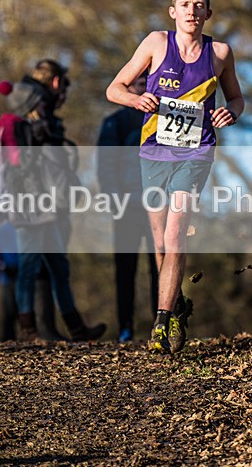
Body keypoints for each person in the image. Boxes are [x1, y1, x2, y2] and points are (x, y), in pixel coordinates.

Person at [106, 0, 244, 354]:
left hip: (195, 153)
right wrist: (138, 99)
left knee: (176, 235)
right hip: (153, 153)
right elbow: (114, 88)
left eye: (199, 5)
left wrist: (230, 112)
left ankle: (162, 321)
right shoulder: (155, 43)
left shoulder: (219, 53)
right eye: (185, 4)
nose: (192, 11)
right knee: (160, 242)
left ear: (208, 14)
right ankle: (176, 303)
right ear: (173, 11)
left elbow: (236, 97)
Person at [0, 60, 106, 342]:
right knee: (30, 267)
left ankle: (76, 328)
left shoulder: (30, 118)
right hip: (32, 206)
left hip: (41, 204)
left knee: (57, 266)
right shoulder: (31, 119)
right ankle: (29, 329)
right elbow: (39, 166)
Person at [97, 73, 159, 343]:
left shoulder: (162, 119)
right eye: (138, 84)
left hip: (158, 207)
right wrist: (115, 202)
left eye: (147, 83)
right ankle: (125, 328)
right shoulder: (115, 123)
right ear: (128, 88)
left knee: (161, 268)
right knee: (125, 270)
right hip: (127, 209)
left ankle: (161, 324)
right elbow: (106, 168)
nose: (143, 88)